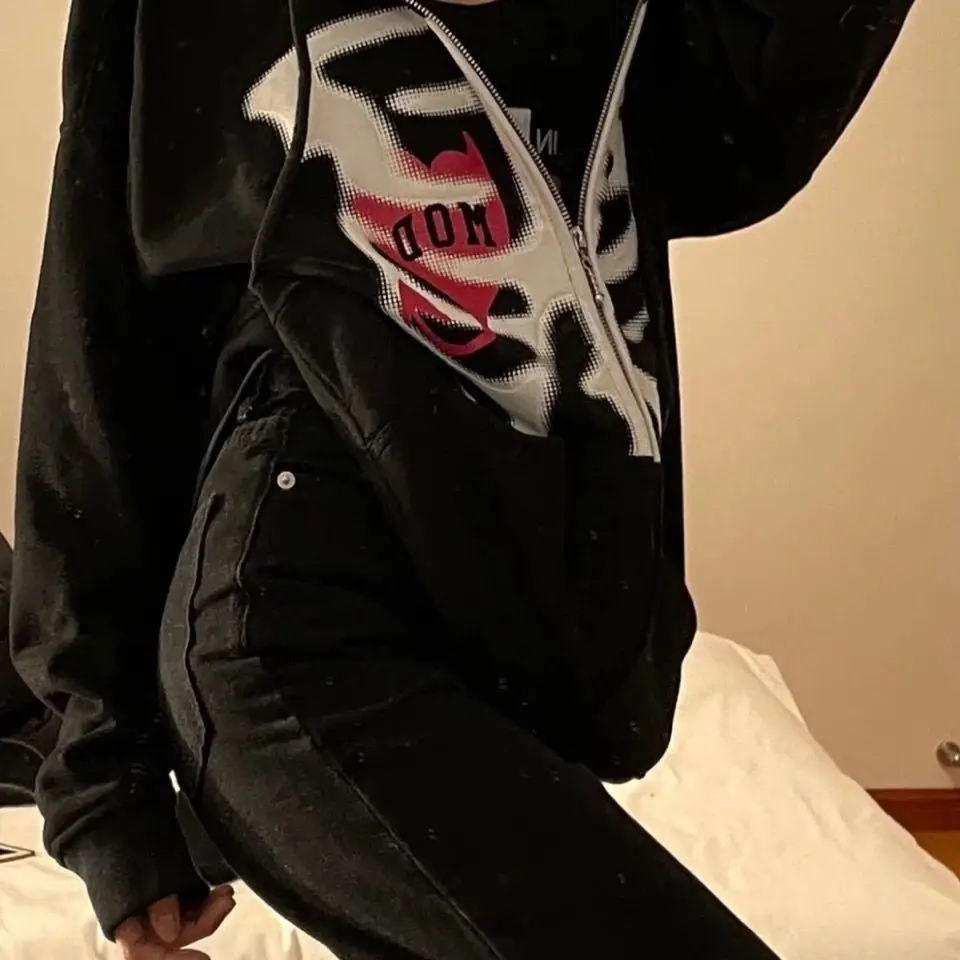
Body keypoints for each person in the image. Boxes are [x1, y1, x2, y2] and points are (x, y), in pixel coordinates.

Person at [11, 0, 915, 958]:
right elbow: (99, 331)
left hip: (537, 603)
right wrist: (105, 781)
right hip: (298, 601)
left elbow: (743, 136)